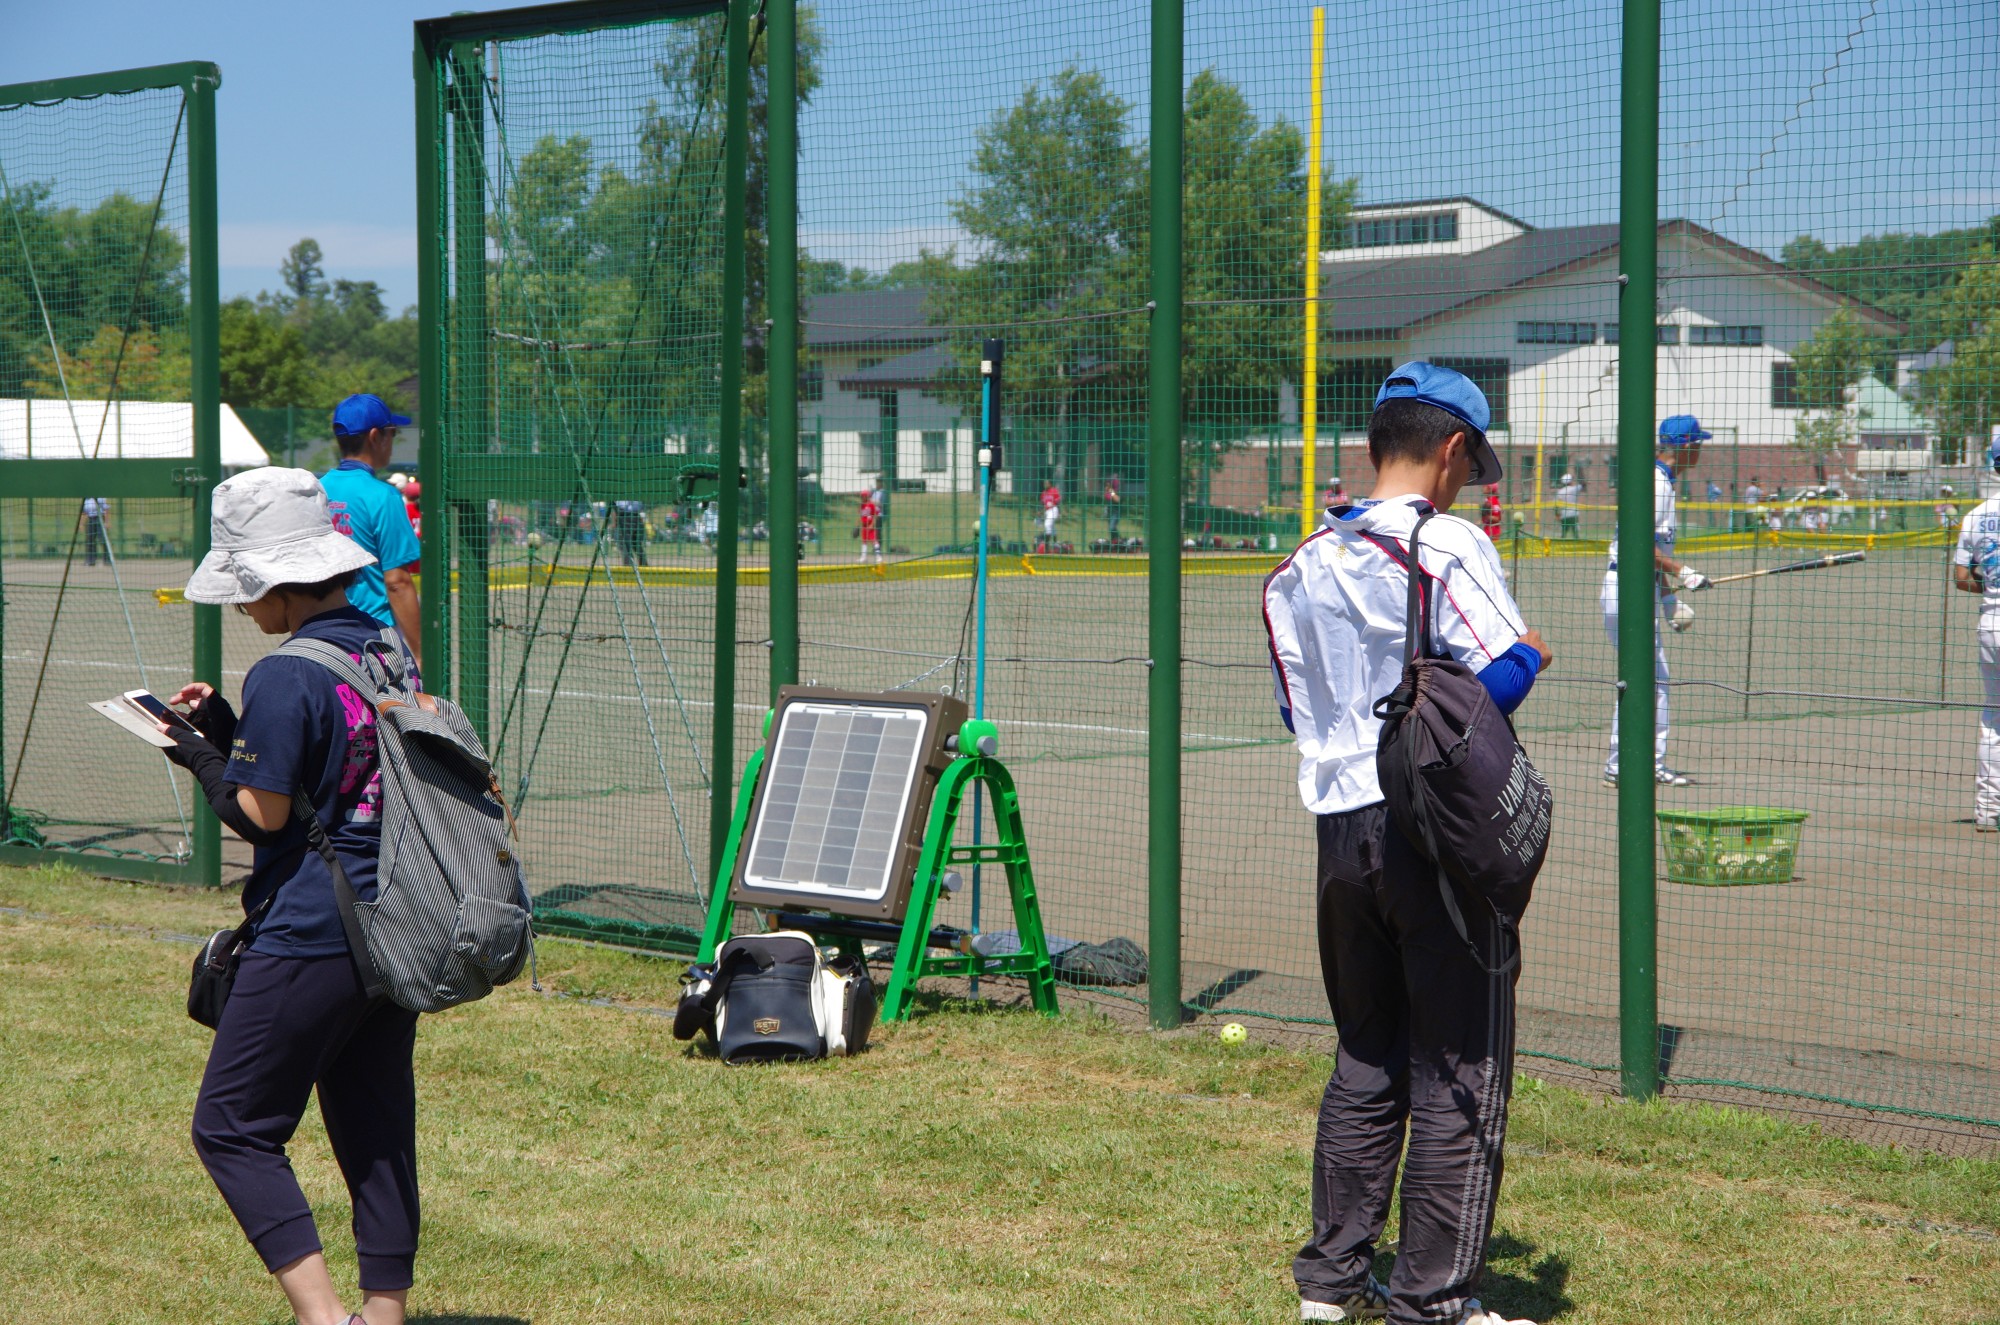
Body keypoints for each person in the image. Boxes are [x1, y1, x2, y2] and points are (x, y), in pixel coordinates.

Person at [1263, 362, 1550, 1325]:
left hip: (1339, 831)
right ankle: (1435, 1297)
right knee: (1460, 1061)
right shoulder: (1447, 539)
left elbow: (1296, 705)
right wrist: (1529, 658)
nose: (1469, 484)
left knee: (1366, 1050)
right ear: (1452, 448)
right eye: (1473, 464)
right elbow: (1486, 686)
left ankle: (1331, 1282)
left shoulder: (1302, 559)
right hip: (1430, 834)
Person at [160, 466, 420, 1325]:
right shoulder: (383, 646)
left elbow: (265, 814)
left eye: (245, 589)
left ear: (274, 580)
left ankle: (321, 1317)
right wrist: (231, 736)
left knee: (231, 1126)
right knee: (374, 1125)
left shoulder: (284, 672)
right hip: (392, 918)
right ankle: (383, 1313)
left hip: (312, 928)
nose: (242, 608)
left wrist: (199, 757)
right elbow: (336, 770)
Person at [1602, 414, 1712, 788]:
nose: (1700, 451)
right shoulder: (1656, 483)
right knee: (1653, 681)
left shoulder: (1661, 480)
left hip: (1635, 587)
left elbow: (1650, 553)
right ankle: (1643, 764)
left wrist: (1668, 601)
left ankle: (1623, 765)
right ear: (1684, 447)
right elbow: (1640, 546)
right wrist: (1683, 571)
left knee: (1640, 680)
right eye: (1697, 444)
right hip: (1627, 588)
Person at [320, 394, 423, 671]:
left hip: (323, 634)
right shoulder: (383, 496)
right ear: (376, 436)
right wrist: (419, 653)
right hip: (373, 639)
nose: (393, 440)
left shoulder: (317, 489)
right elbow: (397, 582)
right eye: (392, 432)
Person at [1954, 439, 2000, 831]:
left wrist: (1990, 588)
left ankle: (1987, 810)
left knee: (1994, 715)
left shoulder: (1975, 515)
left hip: (1990, 623)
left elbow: (1961, 579)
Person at [612, 498, 648, 567]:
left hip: (626, 515)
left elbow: (615, 507)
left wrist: (614, 522)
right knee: (635, 545)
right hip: (632, 515)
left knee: (626, 545)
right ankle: (642, 566)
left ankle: (629, 567)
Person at [81, 494, 109, 566]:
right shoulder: (86, 500)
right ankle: (91, 560)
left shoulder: (100, 498)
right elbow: (84, 513)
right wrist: (81, 524)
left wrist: (106, 522)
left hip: (99, 519)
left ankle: (107, 559)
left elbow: (106, 509)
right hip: (91, 519)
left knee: (103, 539)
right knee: (90, 540)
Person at [857, 491, 882, 564]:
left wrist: (872, 525)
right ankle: (863, 558)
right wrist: (857, 526)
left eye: (863, 496)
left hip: (870, 526)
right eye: (861, 496)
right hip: (864, 526)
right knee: (864, 542)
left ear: (867, 496)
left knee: (874, 541)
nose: (862, 497)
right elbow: (860, 516)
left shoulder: (871, 504)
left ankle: (878, 557)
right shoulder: (861, 505)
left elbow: (875, 515)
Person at [1555, 472, 1581, 540]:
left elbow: (1556, 505)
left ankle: (1560, 547)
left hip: (1564, 515)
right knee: (1576, 534)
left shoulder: (1560, 491)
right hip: (1573, 514)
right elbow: (1582, 485)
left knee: (1563, 534)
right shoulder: (1574, 489)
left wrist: (1557, 514)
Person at [1041, 480, 1062, 547]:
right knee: (1052, 527)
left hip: (1053, 509)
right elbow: (1042, 503)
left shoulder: (1054, 490)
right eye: (1044, 483)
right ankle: (1055, 542)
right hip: (1047, 511)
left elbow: (1058, 502)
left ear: (1050, 484)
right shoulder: (1044, 493)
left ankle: (1046, 544)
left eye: (1047, 483)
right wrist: (1039, 511)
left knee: (1047, 524)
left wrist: (1059, 512)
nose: (1045, 485)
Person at [1104, 473, 1122, 540]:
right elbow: (1107, 498)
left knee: (1112, 528)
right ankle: (1115, 543)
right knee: (1111, 530)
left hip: (1115, 511)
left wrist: (1110, 490)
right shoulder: (1109, 490)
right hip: (1109, 511)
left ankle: (1120, 540)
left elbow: (1117, 499)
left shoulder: (1116, 490)